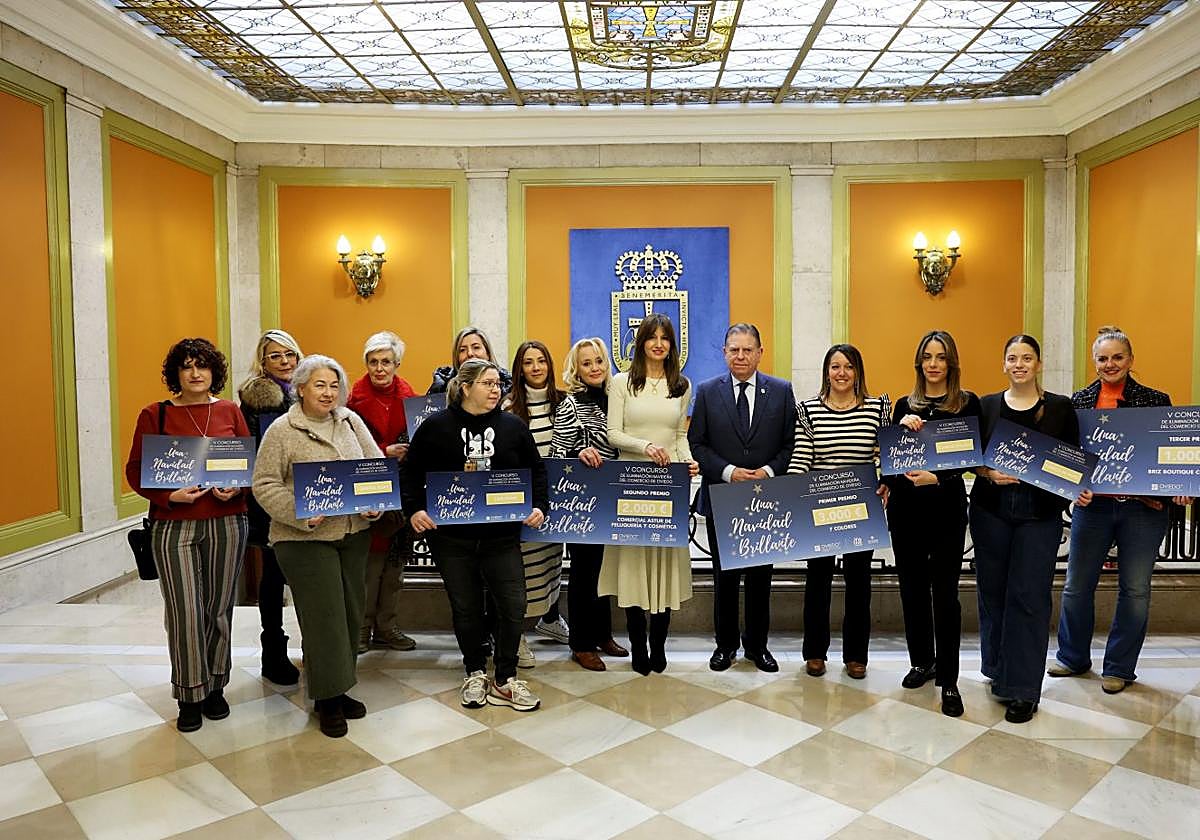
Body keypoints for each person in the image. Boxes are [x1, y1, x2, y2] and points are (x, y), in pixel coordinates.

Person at [402, 358, 549, 711]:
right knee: (465, 607)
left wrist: (539, 506)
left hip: (501, 537)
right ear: (465, 387)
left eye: (498, 384)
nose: (495, 389)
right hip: (452, 539)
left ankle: (505, 677)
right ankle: (473, 671)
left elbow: (537, 470)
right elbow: (410, 472)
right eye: (487, 383)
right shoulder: (435, 426)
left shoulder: (513, 426)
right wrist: (414, 510)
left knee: (514, 605)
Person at [1050, 326, 1191, 694]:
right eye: (1102, 358)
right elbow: (1066, 456)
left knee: (1135, 590)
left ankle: (1120, 667)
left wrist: (1183, 487)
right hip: (1092, 508)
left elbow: (1170, 453)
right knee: (1077, 587)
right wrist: (1072, 486)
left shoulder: (1156, 399)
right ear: (1093, 361)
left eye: (1117, 357)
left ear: (1130, 360)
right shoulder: (1077, 402)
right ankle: (1072, 657)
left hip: (1143, 511)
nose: (1109, 364)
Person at [251, 355, 381, 738]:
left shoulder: (351, 422)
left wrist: (375, 505)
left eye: (333, 385)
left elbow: (375, 469)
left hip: (353, 535)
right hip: (303, 539)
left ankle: (339, 687)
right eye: (319, 385)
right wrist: (298, 513)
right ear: (301, 388)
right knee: (324, 618)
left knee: (349, 614)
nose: (328, 392)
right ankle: (327, 699)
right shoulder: (282, 430)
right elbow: (264, 484)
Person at [125, 338, 249, 732]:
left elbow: (247, 463)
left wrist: (236, 487)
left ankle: (216, 687)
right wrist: (168, 495)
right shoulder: (155, 414)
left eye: (203, 366)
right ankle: (189, 693)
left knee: (218, 608)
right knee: (184, 611)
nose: (196, 374)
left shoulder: (230, 410)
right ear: (175, 374)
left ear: (214, 372)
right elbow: (134, 469)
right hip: (173, 525)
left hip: (227, 521)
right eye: (187, 367)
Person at [972, 334, 1092, 724]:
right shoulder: (985, 406)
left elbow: (1072, 460)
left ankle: (1024, 688)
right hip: (991, 510)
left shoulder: (1059, 408)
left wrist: (1078, 487)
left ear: (1039, 364)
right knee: (993, 593)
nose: (1019, 364)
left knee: (1029, 596)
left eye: (1027, 358)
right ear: (1003, 364)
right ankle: (999, 671)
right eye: (1012, 358)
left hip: (1039, 514)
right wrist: (986, 471)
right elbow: (970, 457)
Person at [688, 323, 796, 673]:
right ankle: (725, 646)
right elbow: (697, 443)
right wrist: (728, 471)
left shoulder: (781, 392)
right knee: (725, 577)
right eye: (734, 349)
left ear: (760, 353)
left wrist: (766, 471)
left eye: (747, 349)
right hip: (723, 496)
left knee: (761, 578)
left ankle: (758, 646)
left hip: (766, 500)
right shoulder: (706, 391)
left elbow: (789, 444)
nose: (740, 355)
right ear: (724, 352)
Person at [883, 330, 980, 717]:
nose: (934, 364)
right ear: (919, 363)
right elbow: (892, 463)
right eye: (927, 357)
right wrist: (899, 428)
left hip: (946, 509)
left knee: (945, 594)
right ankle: (922, 660)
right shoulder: (905, 404)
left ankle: (950, 680)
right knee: (912, 589)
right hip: (906, 512)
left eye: (941, 357)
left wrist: (937, 477)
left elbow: (972, 458)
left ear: (951, 362)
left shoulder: (968, 404)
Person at [600, 314, 699, 675]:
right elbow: (613, 433)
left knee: (663, 564)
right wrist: (645, 446)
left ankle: (659, 644)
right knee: (634, 564)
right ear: (640, 342)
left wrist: (688, 461)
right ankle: (637, 643)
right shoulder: (622, 382)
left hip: (668, 486)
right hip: (631, 481)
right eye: (651, 337)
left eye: (665, 338)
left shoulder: (682, 384)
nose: (658, 343)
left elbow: (680, 436)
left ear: (673, 345)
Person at [788, 343, 890, 681]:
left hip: (861, 508)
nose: (841, 373)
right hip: (819, 509)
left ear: (858, 371)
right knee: (817, 581)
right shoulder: (809, 409)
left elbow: (883, 455)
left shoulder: (878, 407)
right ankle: (815, 653)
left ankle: (856, 656)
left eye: (848, 366)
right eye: (835, 366)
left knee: (858, 582)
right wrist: (788, 490)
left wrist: (885, 480)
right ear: (826, 372)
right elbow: (803, 456)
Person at [549, 337, 629, 671]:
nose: (594, 368)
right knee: (584, 572)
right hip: (582, 501)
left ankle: (602, 634)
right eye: (586, 363)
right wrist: (577, 454)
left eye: (598, 360)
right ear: (576, 369)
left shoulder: (617, 398)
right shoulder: (571, 404)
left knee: (606, 568)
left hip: (612, 497)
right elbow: (556, 455)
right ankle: (581, 643)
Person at [238, 328, 304, 686]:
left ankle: (315, 646)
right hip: (270, 498)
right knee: (274, 575)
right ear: (262, 362)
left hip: (309, 494)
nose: (284, 361)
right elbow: (250, 453)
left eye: (289, 354)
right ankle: (273, 650)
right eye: (276, 355)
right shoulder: (253, 400)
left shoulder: (310, 391)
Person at [347, 330, 418, 654]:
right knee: (368, 567)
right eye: (373, 362)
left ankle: (387, 627)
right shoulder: (352, 400)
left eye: (386, 362)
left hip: (402, 489)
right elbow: (345, 445)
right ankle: (361, 629)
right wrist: (383, 450)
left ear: (397, 364)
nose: (379, 368)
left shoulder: (412, 398)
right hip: (367, 487)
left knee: (394, 567)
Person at [505, 340, 568, 668]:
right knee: (521, 573)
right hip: (523, 506)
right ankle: (516, 637)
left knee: (549, 567)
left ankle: (548, 620)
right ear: (520, 369)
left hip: (555, 502)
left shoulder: (563, 402)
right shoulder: (508, 407)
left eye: (541, 361)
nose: (535, 368)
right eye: (528, 362)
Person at [427, 326, 513, 396]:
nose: (470, 353)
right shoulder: (442, 384)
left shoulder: (507, 384)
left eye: (476, 347)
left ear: (488, 353)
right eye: (462, 350)